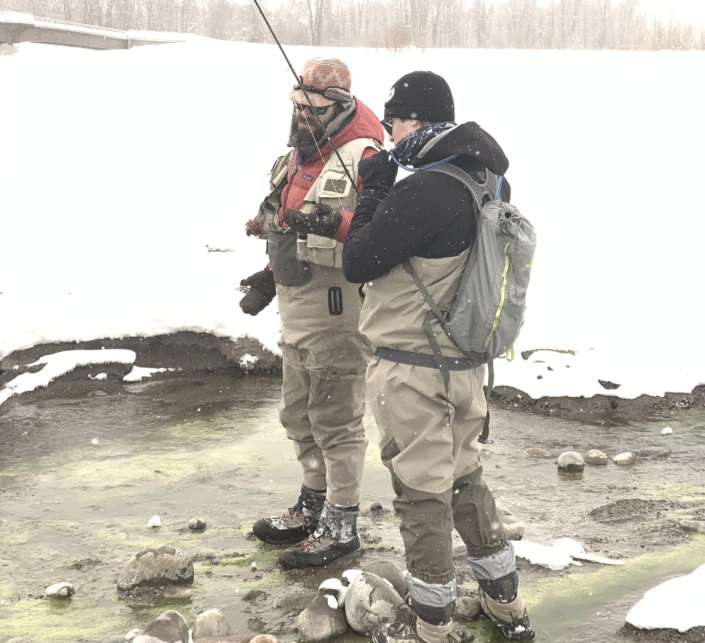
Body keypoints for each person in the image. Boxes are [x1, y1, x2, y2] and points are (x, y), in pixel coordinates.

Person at [343, 72, 535, 642]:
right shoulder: (487, 179)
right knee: (465, 479)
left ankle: (432, 627)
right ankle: (507, 608)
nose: (389, 129)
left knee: (421, 495)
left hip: (410, 369)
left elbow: (358, 260)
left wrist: (375, 189)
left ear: (417, 121)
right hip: (464, 365)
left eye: (394, 118)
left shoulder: (424, 190)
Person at [239, 57, 384, 569]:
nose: (299, 112)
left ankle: (342, 523)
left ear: (339, 104)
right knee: (298, 414)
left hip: (339, 309)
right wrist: (267, 273)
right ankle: (313, 505)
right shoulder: (300, 154)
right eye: (295, 103)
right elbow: (284, 221)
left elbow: (381, 236)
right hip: (297, 307)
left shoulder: (364, 157)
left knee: (336, 418)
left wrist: (336, 223)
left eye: (311, 105)